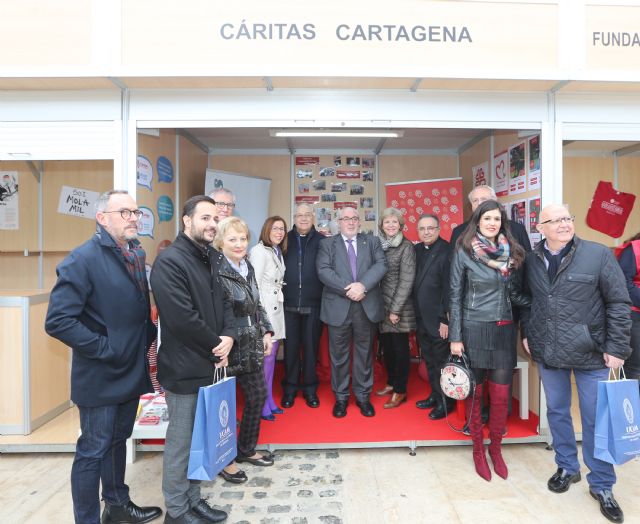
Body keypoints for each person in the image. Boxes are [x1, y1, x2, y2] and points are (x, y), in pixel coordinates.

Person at [45, 190, 162, 524]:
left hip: (128, 370)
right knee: (92, 451)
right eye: (125, 212)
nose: (134, 218)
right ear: (102, 218)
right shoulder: (82, 259)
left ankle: (117, 506)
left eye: (136, 212)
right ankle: (87, 519)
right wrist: (105, 349)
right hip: (100, 374)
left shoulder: (134, 254)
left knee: (117, 441)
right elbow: (58, 321)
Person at [522, 204, 631, 523]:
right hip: (549, 349)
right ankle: (567, 468)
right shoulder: (532, 260)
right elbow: (527, 299)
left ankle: (602, 484)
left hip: (592, 351)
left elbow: (619, 302)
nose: (564, 224)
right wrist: (528, 332)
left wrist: (617, 347)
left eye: (567, 218)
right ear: (540, 227)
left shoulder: (597, 255)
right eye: (555, 220)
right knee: (556, 411)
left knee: (595, 418)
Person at [150, 195, 233, 524]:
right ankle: (177, 510)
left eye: (215, 219)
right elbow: (181, 318)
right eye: (205, 218)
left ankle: (194, 499)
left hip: (211, 364)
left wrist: (229, 337)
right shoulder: (169, 262)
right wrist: (217, 345)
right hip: (185, 368)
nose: (212, 224)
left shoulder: (211, 256)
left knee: (203, 439)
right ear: (187, 221)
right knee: (181, 443)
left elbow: (226, 302)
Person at [449, 200, 529, 482]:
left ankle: (496, 448)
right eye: (487, 219)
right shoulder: (464, 251)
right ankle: (477, 450)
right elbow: (454, 296)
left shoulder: (514, 253)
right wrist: (455, 337)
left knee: (500, 395)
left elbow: (517, 294)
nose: (492, 223)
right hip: (473, 328)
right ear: (478, 222)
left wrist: (540, 303)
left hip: (505, 329)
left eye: (497, 219)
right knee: (475, 395)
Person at [213, 217, 275, 467]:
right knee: (222, 407)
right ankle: (224, 458)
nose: (239, 244)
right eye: (232, 239)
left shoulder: (246, 265)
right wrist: (218, 348)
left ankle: (246, 449)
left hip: (251, 346)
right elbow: (215, 314)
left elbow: (257, 304)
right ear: (220, 242)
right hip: (227, 347)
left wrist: (267, 331)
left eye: (242, 239)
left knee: (258, 395)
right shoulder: (216, 271)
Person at [316, 206, 387, 418]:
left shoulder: (372, 242)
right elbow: (323, 271)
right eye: (346, 219)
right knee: (338, 356)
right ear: (338, 222)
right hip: (338, 305)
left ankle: (363, 397)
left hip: (366, 306)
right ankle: (341, 398)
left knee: (365, 354)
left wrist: (362, 286)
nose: (351, 222)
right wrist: (351, 288)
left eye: (354, 218)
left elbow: (381, 265)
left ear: (359, 221)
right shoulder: (327, 244)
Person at [281, 204, 324, 408]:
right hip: (287, 304)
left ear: (313, 217)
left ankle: (309, 390)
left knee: (310, 350)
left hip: (313, 305)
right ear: (294, 217)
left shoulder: (324, 241)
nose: (304, 218)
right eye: (299, 215)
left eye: (308, 215)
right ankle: (289, 389)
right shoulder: (284, 238)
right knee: (290, 350)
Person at [413, 214, 455, 420]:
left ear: (439, 229)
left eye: (431, 228)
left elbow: (449, 290)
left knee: (441, 362)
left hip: (439, 320)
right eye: (422, 229)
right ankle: (435, 395)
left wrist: (445, 320)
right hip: (421, 318)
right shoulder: (417, 250)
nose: (426, 232)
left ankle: (446, 403)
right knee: (429, 360)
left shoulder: (447, 251)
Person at [375, 208, 416, 409]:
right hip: (381, 307)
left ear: (401, 225)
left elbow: (406, 281)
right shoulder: (380, 246)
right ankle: (391, 382)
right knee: (387, 349)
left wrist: (395, 310)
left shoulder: (406, 246)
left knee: (400, 351)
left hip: (399, 308)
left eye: (394, 222)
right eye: (387, 222)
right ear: (381, 226)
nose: (390, 226)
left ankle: (400, 390)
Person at [249, 216, 288, 421]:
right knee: (265, 359)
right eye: (275, 228)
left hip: (276, 309)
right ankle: (262, 403)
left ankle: (270, 399)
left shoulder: (276, 250)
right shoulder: (258, 251)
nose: (279, 232)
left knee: (271, 360)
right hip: (265, 311)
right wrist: (260, 320)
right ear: (266, 229)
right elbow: (253, 286)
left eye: (282, 229)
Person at [450, 185, 531, 252]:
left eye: (483, 199)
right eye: (475, 200)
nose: (479, 203)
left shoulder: (517, 229)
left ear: (494, 201)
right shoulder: (459, 232)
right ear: (471, 205)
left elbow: (528, 262)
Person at [616, 231, 640, 386]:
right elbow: (623, 280)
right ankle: (631, 409)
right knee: (636, 366)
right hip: (635, 313)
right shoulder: (634, 249)